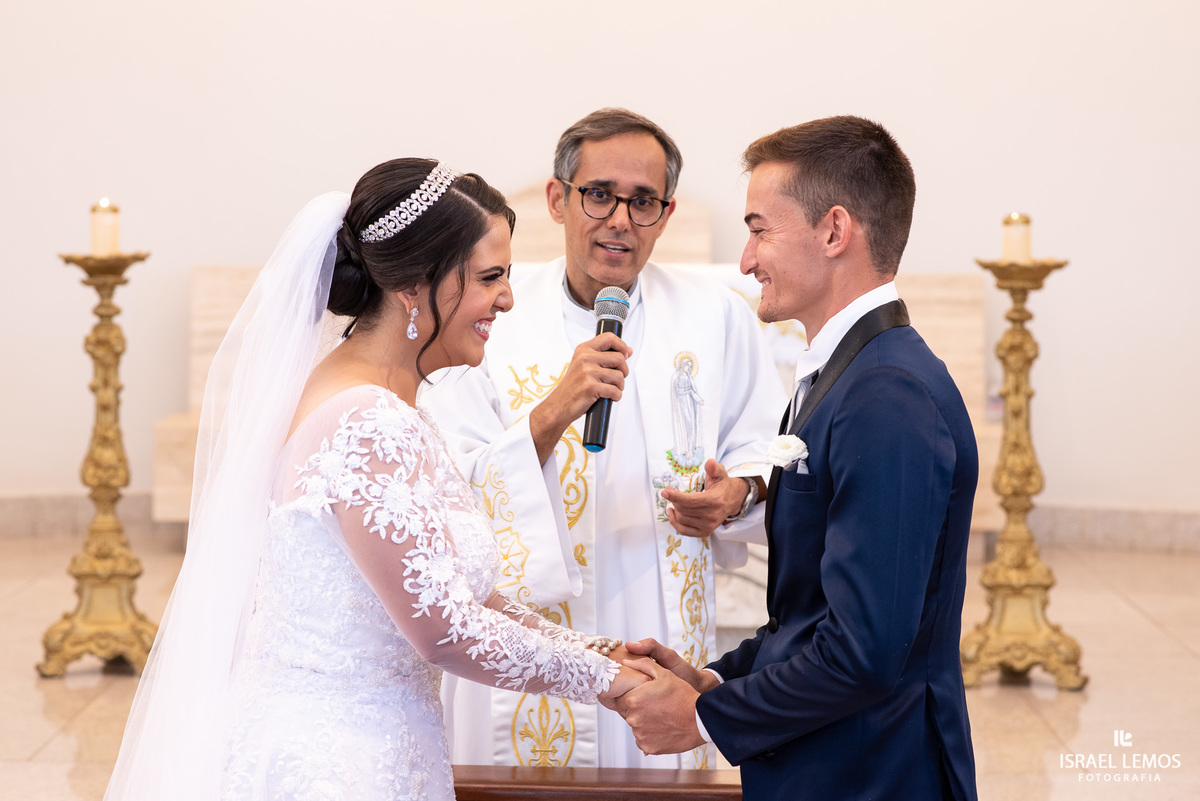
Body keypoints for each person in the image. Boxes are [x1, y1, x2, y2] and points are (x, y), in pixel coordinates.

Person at [102, 159, 649, 801]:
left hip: (381, 747)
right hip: (338, 765)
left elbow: (466, 597)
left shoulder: (388, 404)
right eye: (490, 277)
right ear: (415, 285)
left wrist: (608, 652)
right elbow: (445, 629)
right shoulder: (366, 421)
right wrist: (611, 685)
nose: (506, 299)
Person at [615, 116, 980, 800]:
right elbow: (813, 617)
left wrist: (701, 718)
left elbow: (864, 653)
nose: (747, 259)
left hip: (877, 771)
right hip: (834, 760)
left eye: (759, 229)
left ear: (835, 231)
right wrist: (717, 678)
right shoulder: (846, 374)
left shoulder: (887, 394)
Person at [423, 108, 785, 770]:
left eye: (643, 200)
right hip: (525, 637)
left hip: (655, 628)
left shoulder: (717, 319)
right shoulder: (488, 312)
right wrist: (552, 411)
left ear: (665, 215)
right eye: (600, 194)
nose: (620, 218)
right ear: (559, 200)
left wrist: (735, 496)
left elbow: (767, 452)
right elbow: (447, 487)